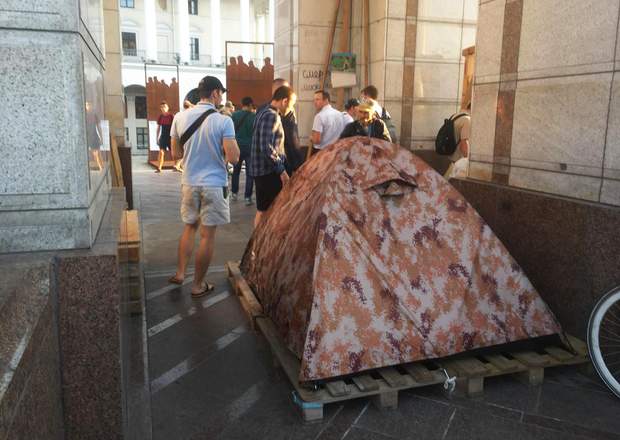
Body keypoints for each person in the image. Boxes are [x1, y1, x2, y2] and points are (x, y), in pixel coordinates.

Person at [168, 76, 240, 298]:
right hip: (214, 184)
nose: (222, 98)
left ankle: (180, 273)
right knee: (207, 236)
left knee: (189, 227)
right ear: (215, 93)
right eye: (221, 94)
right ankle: (198, 285)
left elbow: (176, 154)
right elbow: (234, 157)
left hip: (189, 182)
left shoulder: (179, 117)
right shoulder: (223, 121)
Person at [249, 86, 296, 227]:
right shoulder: (271, 115)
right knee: (277, 211)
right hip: (269, 172)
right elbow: (267, 147)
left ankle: (258, 240)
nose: (291, 108)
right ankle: (269, 239)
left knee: (262, 210)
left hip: (260, 171)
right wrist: (282, 171)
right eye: (291, 104)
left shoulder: (263, 111)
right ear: (284, 101)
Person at [257, 78, 304, 175]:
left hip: (262, 165)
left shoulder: (262, 109)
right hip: (281, 163)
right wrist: (298, 165)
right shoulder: (285, 110)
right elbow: (292, 138)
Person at [231, 96, 256, 205]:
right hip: (250, 148)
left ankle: (234, 193)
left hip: (237, 147)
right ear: (250, 105)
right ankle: (247, 197)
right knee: (250, 173)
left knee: (236, 171)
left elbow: (231, 130)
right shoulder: (254, 117)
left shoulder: (234, 115)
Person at [444, 103, 471, 179]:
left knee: (448, 178)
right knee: (453, 180)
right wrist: (467, 160)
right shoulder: (467, 120)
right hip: (458, 159)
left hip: (451, 155)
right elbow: (464, 143)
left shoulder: (455, 115)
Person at [155, 100, 174, 173]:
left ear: (168, 108)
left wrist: (175, 138)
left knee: (174, 153)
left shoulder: (171, 116)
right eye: (162, 107)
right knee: (161, 152)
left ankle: (178, 166)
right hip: (163, 137)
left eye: (165, 107)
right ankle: (159, 168)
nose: (163, 108)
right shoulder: (160, 117)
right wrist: (157, 138)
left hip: (170, 137)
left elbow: (175, 127)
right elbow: (158, 128)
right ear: (160, 108)